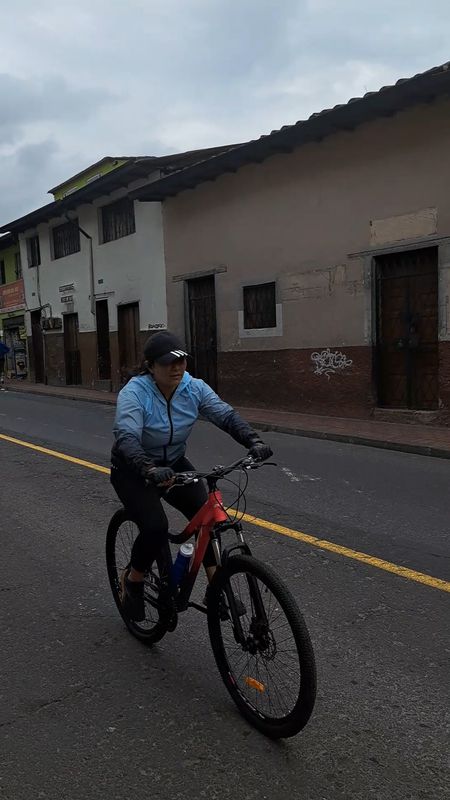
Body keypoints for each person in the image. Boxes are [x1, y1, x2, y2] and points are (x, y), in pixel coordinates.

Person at [111, 330, 273, 621]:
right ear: (150, 366)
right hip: (133, 468)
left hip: (173, 463)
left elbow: (224, 415)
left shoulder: (193, 387)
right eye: (167, 363)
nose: (176, 368)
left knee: (207, 517)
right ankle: (133, 580)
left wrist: (253, 441)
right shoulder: (134, 393)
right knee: (155, 527)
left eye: (181, 361)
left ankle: (216, 588)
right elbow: (127, 437)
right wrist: (149, 469)